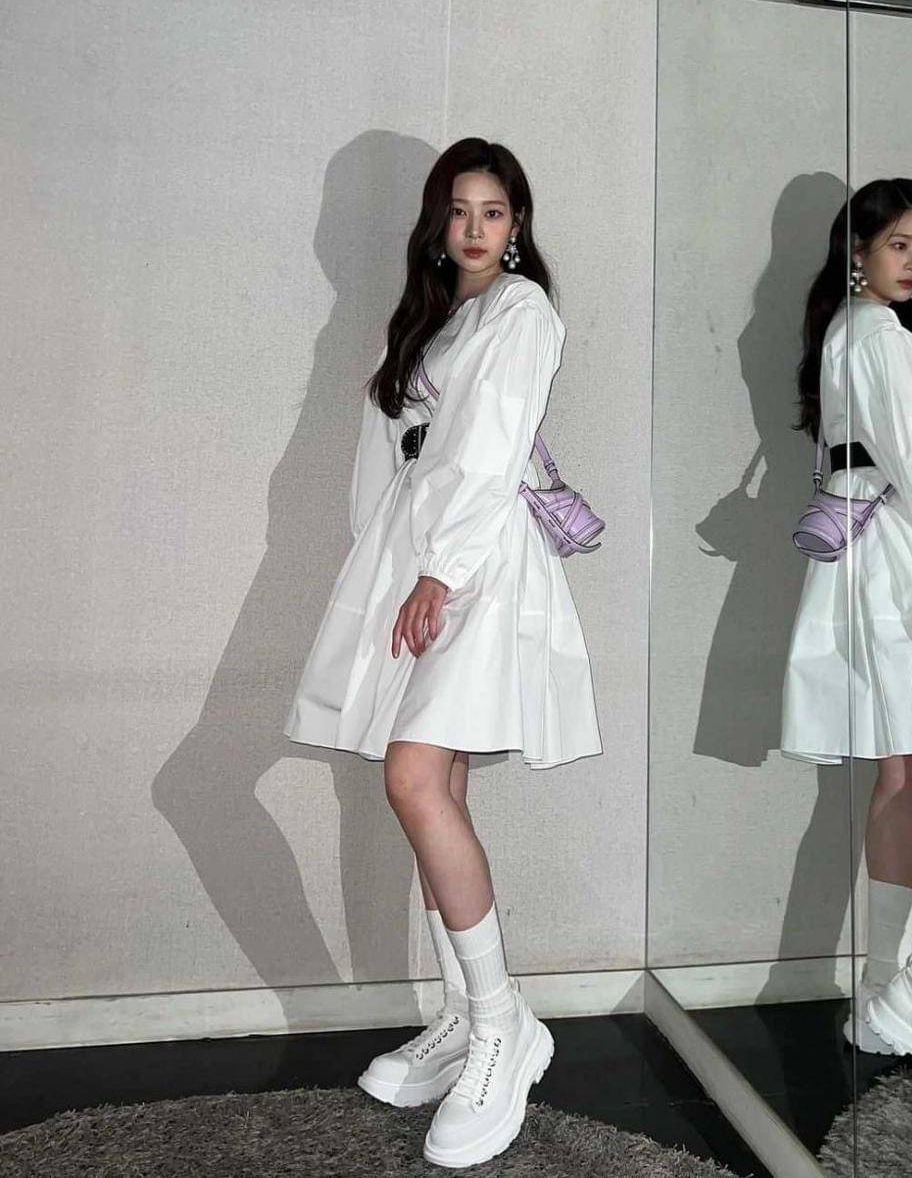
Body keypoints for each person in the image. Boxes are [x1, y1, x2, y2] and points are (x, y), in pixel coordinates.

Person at [284, 137, 601, 1166]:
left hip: (474, 561)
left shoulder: (520, 311)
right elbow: (388, 455)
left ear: (516, 226)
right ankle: (469, 1011)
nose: (473, 228)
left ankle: (503, 1028)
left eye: (492, 212)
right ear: (437, 222)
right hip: (413, 555)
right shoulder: (429, 319)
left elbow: (488, 447)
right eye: (458, 210)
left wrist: (441, 571)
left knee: (414, 776)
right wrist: (382, 569)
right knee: (438, 783)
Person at [782, 178, 912, 1111]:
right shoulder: (886, 341)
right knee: (907, 771)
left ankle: (881, 995)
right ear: (856, 249)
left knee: (905, 771)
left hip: (871, 562)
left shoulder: (845, 333)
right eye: (899, 243)